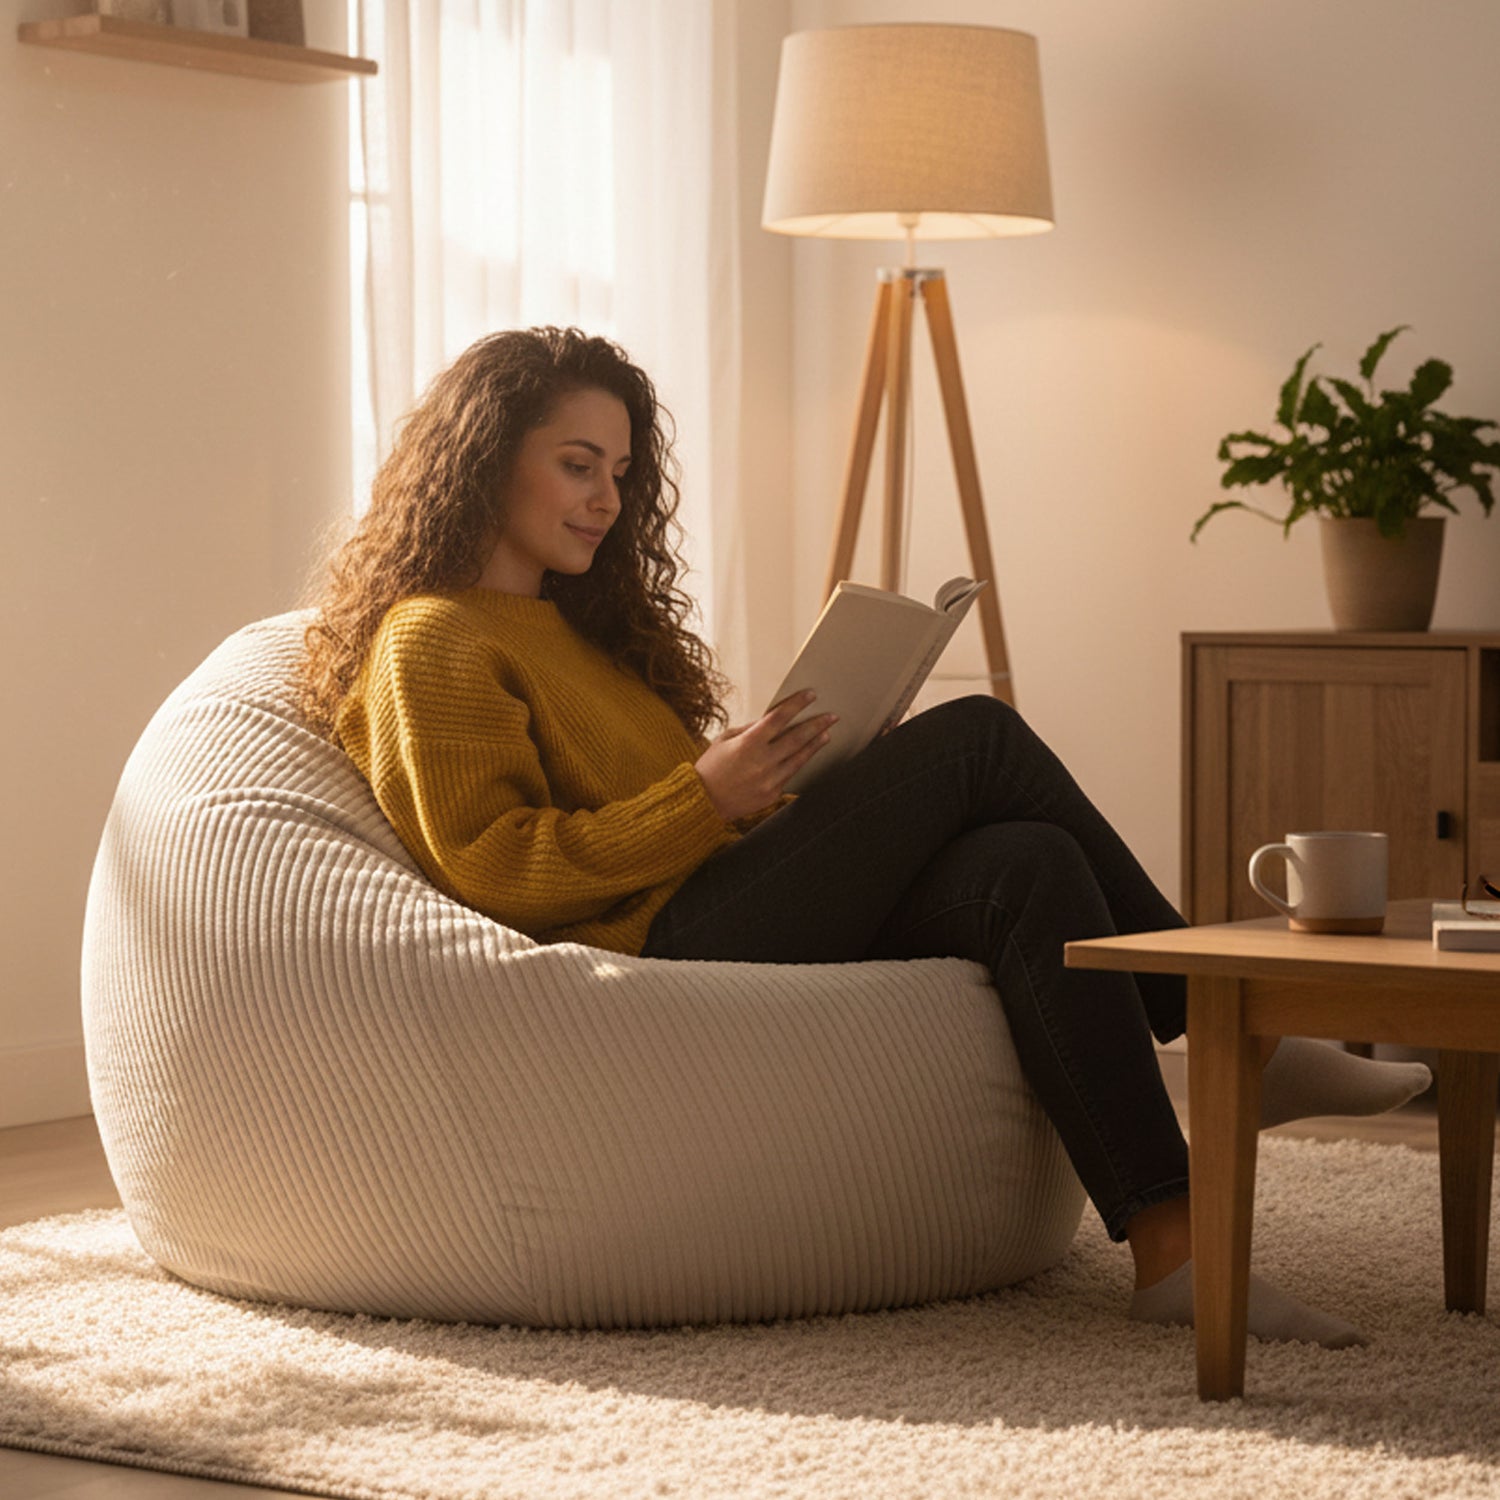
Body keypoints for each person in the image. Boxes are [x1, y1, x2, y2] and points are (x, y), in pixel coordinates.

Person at [298, 326, 1431, 1348]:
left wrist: (801, 782)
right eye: (576, 464)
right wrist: (708, 798)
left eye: (622, 472)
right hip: (658, 939)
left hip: (718, 888)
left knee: (1027, 866)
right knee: (982, 737)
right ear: (488, 458)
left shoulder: (575, 630)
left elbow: (677, 809)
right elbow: (498, 869)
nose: (605, 497)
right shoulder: (432, 639)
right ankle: (1237, 1029)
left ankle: (1174, 1256)